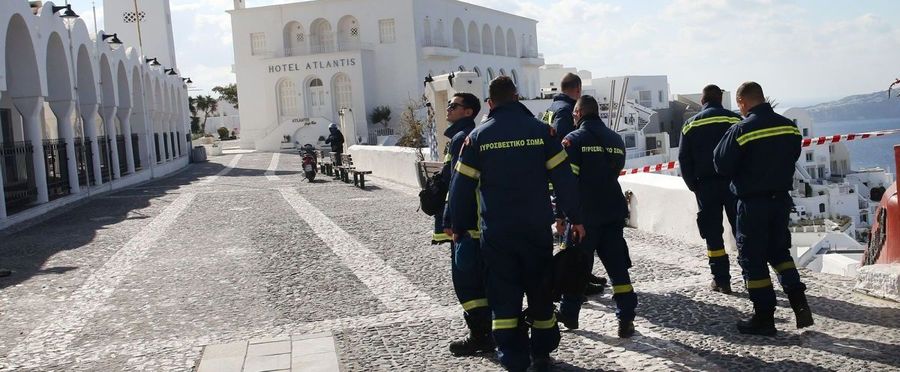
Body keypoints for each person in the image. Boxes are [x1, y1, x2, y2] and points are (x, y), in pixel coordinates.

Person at [448, 76, 584, 372]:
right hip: (535, 231)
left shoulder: (477, 138)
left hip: (497, 234)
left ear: (490, 103)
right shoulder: (542, 132)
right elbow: (565, 181)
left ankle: (513, 358)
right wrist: (575, 217)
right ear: (517, 97)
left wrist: (458, 227)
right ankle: (543, 351)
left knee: (503, 295)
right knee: (540, 291)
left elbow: (459, 188)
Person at [714, 82, 814, 335]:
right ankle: (799, 303)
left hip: (752, 203)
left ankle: (764, 318)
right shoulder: (789, 127)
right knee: (780, 253)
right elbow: (791, 156)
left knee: (753, 259)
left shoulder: (741, 129)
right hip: (780, 200)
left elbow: (721, 164)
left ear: (742, 102)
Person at [556, 95, 636, 338]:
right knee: (618, 269)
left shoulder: (572, 140)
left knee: (576, 267)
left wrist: (562, 215)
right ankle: (626, 319)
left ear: (578, 114)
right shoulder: (616, 139)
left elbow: (567, 182)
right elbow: (615, 172)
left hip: (585, 216)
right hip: (612, 210)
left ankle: (569, 313)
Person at [431, 93, 494, 356]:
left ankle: (480, 335)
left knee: (468, 283)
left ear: (468, 112)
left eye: (453, 105)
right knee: (478, 281)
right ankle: (485, 332)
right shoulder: (463, 136)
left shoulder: (462, 139)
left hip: (464, 227)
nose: (448, 108)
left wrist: (451, 222)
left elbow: (456, 185)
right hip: (470, 224)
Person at [678, 84, 743, 294]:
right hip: (734, 184)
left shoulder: (690, 125)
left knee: (713, 234)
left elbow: (684, 159)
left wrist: (694, 186)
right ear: (721, 99)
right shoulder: (735, 120)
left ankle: (721, 280)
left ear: (702, 101)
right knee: (742, 231)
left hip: (706, 186)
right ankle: (751, 275)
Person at [545, 73, 582, 140]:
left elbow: (543, 129)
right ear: (578, 89)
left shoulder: (550, 108)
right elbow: (565, 141)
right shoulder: (566, 110)